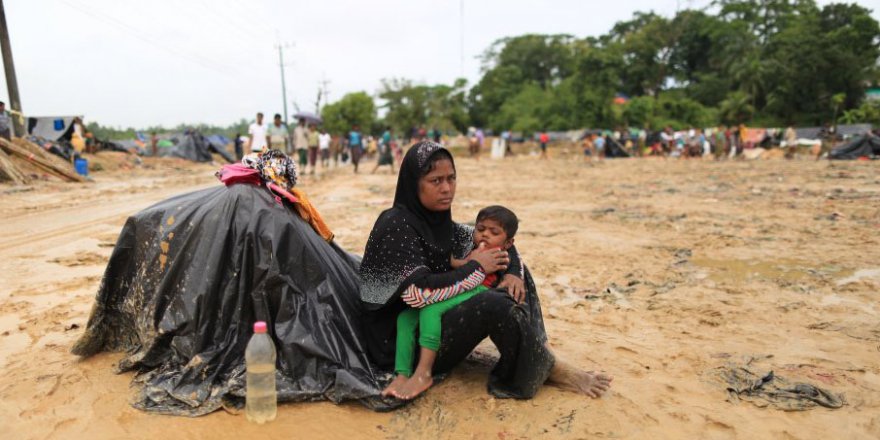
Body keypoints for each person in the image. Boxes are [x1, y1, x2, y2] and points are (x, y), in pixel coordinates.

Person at [359, 141, 613, 403]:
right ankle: (545, 366)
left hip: (429, 324)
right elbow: (416, 295)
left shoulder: (441, 223)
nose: (447, 189)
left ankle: (541, 352)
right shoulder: (395, 225)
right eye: (435, 181)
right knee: (493, 303)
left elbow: (497, 244)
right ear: (414, 184)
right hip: (400, 343)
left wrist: (512, 271)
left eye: (451, 178)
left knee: (514, 275)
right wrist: (477, 266)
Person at [383, 205, 521, 399]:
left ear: (507, 243)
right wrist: (466, 262)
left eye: (494, 232)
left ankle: (424, 372)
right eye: (480, 229)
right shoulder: (470, 246)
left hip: (480, 290)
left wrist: (514, 273)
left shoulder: (499, 253)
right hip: (459, 287)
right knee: (405, 318)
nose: (485, 235)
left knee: (429, 311)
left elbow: (512, 261)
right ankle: (402, 373)